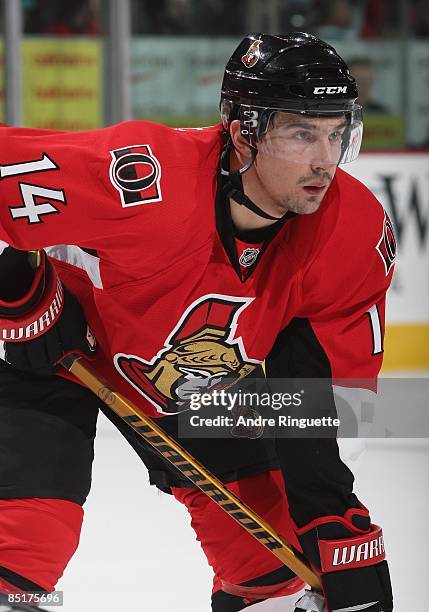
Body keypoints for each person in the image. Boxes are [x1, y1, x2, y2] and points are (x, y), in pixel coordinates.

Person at [0, 33, 394, 612]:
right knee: (23, 549)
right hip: (55, 351)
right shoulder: (143, 178)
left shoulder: (350, 231)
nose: (324, 159)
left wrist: (335, 519)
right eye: (302, 133)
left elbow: (323, 399)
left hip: (195, 385)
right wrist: (16, 285)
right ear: (243, 132)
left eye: (337, 134)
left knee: (273, 565)